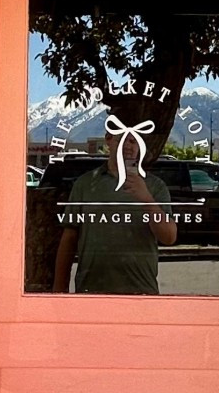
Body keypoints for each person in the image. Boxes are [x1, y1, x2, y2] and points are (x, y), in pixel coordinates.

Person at [52, 118, 178, 294]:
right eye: (122, 139)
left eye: (134, 140)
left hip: (141, 292)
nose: (128, 145)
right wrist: (59, 289)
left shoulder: (155, 186)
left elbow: (169, 237)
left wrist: (147, 199)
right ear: (109, 140)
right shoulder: (85, 184)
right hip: (92, 292)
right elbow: (69, 238)